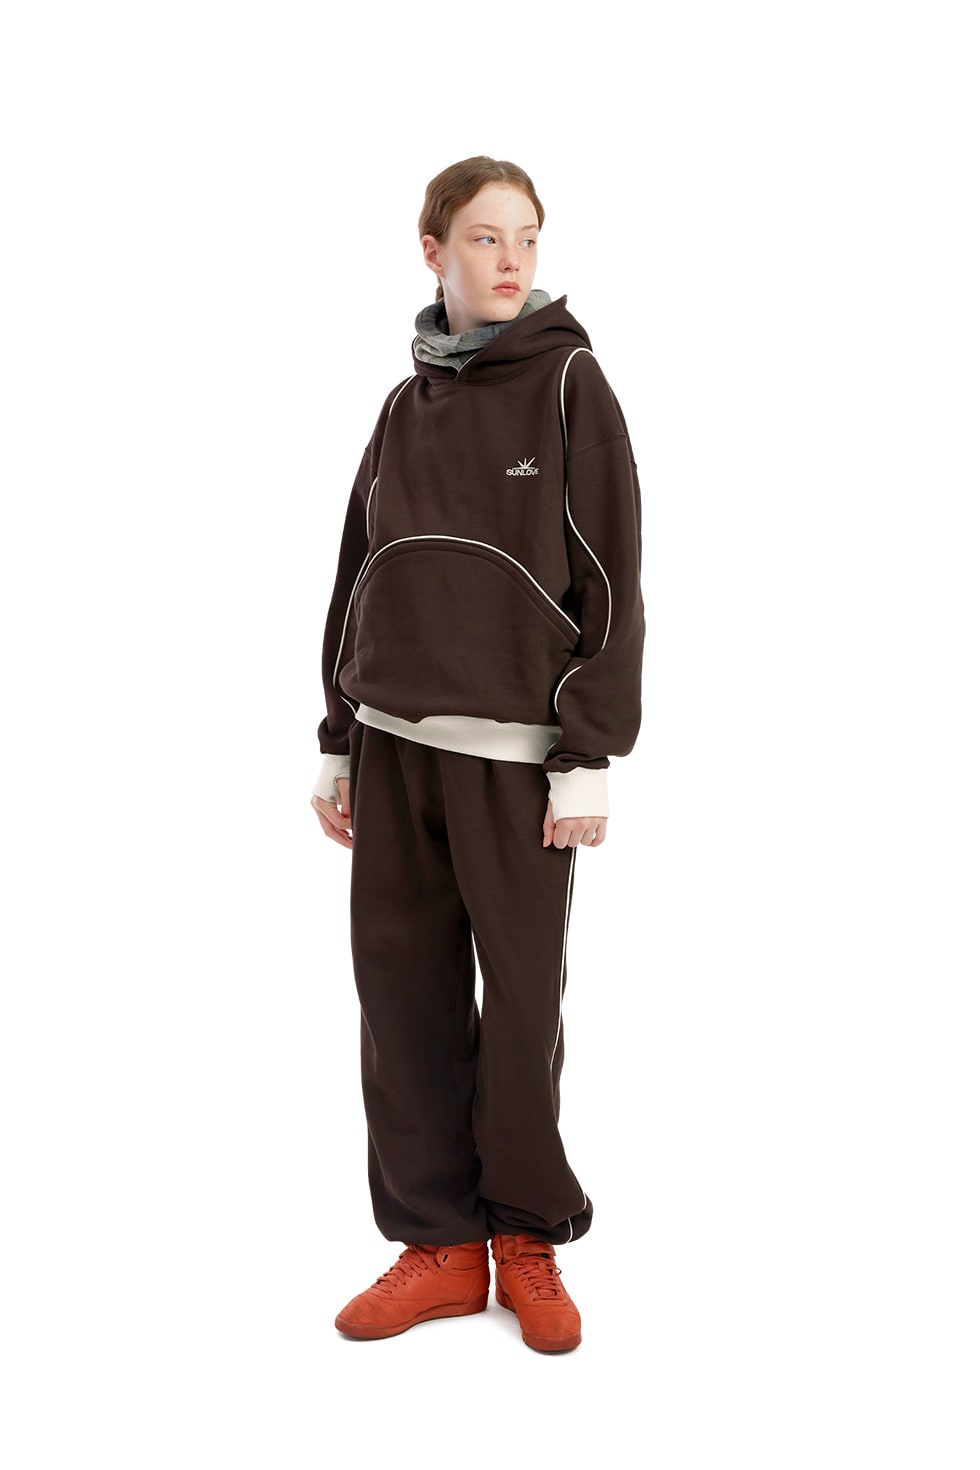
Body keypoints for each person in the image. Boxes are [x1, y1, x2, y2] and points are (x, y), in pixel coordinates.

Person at [310, 156, 644, 1353]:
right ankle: (439, 1247)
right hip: (392, 744)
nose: (510, 260)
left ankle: (524, 1238)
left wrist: (586, 754)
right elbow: (360, 570)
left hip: (515, 759)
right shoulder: (403, 405)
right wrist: (338, 740)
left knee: (518, 1009)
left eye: (527, 238)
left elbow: (610, 579)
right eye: (485, 238)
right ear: (433, 251)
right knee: (401, 1002)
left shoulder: (569, 384)